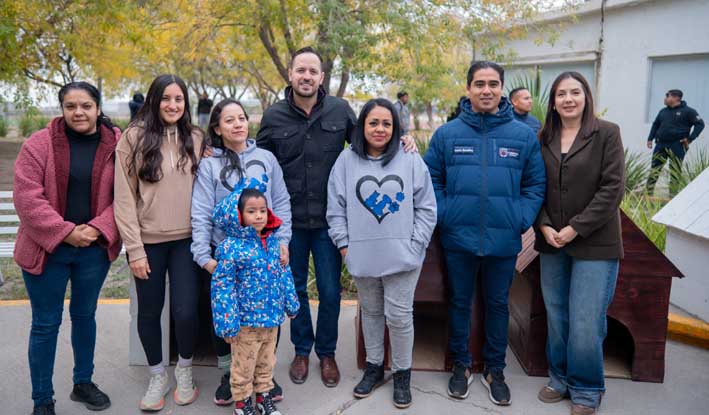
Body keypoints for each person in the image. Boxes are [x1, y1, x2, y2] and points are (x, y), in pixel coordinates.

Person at [257, 46, 418, 388]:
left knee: (331, 291)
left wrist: (404, 139)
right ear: (290, 74)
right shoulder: (273, 117)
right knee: (295, 291)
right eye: (301, 70)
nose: (306, 76)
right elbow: (258, 166)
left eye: (312, 71)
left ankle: (326, 353)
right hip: (288, 224)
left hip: (330, 222)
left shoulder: (339, 110)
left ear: (321, 77)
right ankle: (302, 351)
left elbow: (369, 142)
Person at [423, 61, 546, 406]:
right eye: (479, 83)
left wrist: (519, 218)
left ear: (502, 88)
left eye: (493, 83)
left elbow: (535, 184)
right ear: (468, 89)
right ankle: (460, 366)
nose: (486, 90)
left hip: (503, 239)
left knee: (497, 305)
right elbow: (430, 180)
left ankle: (495, 370)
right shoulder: (447, 135)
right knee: (459, 303)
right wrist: (446, 214)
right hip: (457, 238)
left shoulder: (523, 136)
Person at [13, 81, 122, 415]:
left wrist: (98, 227)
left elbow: (127, 195)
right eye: (71, 106)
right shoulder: (38, 144)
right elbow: (27, 198)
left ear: (98, 108)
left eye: (86, 106)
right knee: (45, 324)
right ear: (62, 109)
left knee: (85, 316)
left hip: (93, 250)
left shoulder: (117, 145)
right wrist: (65, 232)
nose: (79, 112)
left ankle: (83, 383)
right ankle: (42, 400)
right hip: (47, 250)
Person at [326, 98, 436, 408]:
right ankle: (374, 367)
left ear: (395, 127)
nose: (380, 129)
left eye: (387, 123)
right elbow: (336, 208)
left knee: (399, 317)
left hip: (404, 256)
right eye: (373, 122)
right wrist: (345, 246)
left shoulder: (410, 158)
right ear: (362, 126)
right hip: (362, 256)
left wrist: (416, 244)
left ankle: (402, 373)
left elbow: (427, 207)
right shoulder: (346, 161)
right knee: (372, 313)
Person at [534, 72, 625, 415]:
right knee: (557, 315)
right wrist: (543, 224)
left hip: (595, 243)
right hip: (551, 242)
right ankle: (559, 378)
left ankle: (586, 388)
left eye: (575, 92)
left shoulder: (607, 133)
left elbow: (612, 189)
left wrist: (575, 228)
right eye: (561, 94)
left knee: (586, 320)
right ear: (553, 102)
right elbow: (533, 185)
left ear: (586, 96)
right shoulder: (542, 138)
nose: (568, 99)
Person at [114, 74, 206, 411]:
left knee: (185, 311)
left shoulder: (196, 138)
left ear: (185, 103)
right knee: (150, 311)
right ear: (154, 100)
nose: (172, 105)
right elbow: (123, 198)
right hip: (148, 242)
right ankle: (157, 376)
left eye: (178, 99)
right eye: (166, 98)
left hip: (187, 242)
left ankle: (185, 370)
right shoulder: (133, 138)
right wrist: (134, 249)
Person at [191, 98, 291, 405]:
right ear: (217, 128)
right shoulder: (210, 164)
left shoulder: (266, 159)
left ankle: (263, 376)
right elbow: (201, 211)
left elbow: (281, 202)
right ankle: (229, 374)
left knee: (267, 316)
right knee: (227, 315)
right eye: (229, 120)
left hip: (265, 253)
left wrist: (283, 241)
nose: (238, 124)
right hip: (227, 257)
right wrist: (204, 256)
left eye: (242, 118)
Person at [211, 187, 300, 415]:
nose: (259, 216)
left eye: (262, 210)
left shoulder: (273, 243)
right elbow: (223, 287)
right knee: (243, 366)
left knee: (266, 362)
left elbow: (284, 273)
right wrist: (227, 323)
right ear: (238, 216)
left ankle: (263, 397)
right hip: (246, 324)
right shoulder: (231, 248)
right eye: (251, 211)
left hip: (271, 320)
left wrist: (291, 302)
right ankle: (242, 404)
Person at [646, 89, 704, 196]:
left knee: (675, 171)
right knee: (654, 169)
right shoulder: (663, 111)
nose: (665, 98)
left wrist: (690, 139)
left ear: (676, 98)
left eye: (667, 96)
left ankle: (672, 197)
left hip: (677, 145)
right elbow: (655, 124)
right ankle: (647, 195)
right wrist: (650, 139)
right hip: (661, 144)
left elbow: (700, 124)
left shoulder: (689, 111)